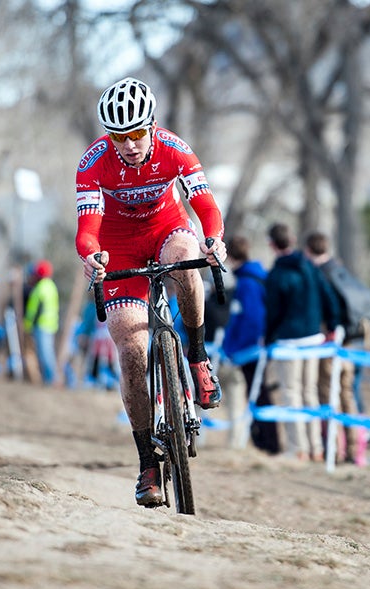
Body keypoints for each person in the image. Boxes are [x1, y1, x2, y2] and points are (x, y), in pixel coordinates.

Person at [76, 77, 226, 507]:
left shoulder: (174, 149)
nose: (130, 144)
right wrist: (92, 256)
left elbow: (206, 206)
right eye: (120, 136)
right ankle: (147, 462)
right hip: (118, 245)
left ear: (152, 126)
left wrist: (214, 239)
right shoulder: (92, 164)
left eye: (138, 133)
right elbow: (87, 231)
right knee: (131, 349)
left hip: (165, 229)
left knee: (188, 255)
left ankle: (196, 358)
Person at [264, 223, 340, 462]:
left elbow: (273, 312)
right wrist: (332, 323)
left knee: (291, 392)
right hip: (314, 337)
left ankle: (298, 449)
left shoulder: (277, 274)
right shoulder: (309, 266)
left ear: (272, 245)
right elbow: (328, 295)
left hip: (289, 343)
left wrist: (268, 337)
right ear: (293, 239)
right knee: (310, 392)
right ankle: (316, 447)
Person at [303, 230, 365, 464]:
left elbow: (325, 310)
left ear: (309, 250)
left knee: (328, 396)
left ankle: (335, 451)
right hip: (350, 342)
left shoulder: (320, 274)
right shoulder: (340, 270)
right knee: (348, 396)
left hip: (330, 344)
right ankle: (356, 451)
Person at [221, 234, 279, 454]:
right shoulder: (251, 277)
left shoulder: (247, 283)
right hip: (250, 348)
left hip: (250, 350)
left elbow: (252, 319)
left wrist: (235, 348)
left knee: (259, 394)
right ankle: (264, 441)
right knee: (257, 393)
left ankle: (269, 443)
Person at [23, 259, 60, 386]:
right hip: (49, 325)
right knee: (47, 353)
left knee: (45, 354)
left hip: (42, 325)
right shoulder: (50, 285)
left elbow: (37, 309)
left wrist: (29, 324)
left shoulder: (41, 287)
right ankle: (50, 379)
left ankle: (51, 380)